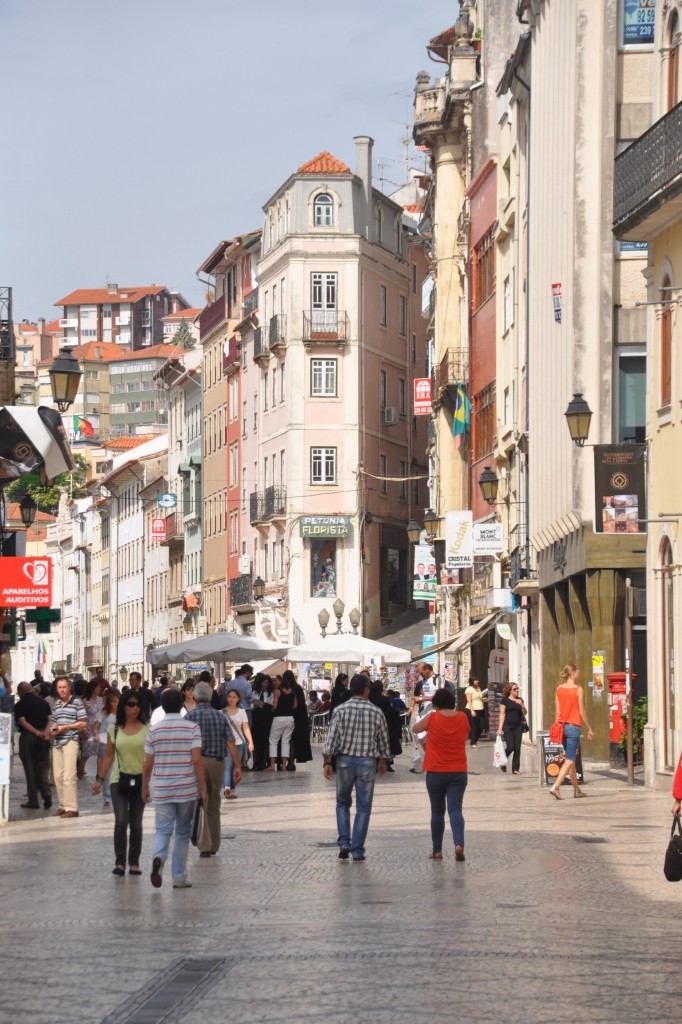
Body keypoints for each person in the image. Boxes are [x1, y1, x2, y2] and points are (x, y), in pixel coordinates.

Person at [142, 688, 208, 889]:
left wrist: (145, 786)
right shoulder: (192, 728)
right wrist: (203, 787)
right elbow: (196, 760)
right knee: (182, 832)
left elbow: (148, 763)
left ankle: (159, 858)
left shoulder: (153, 730)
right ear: (181, 704)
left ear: (162, 705)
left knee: (162, 829)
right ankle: (179, 877)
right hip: (186, 788)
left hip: (162, 787)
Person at [322, 674, 390, 861]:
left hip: (344, 761)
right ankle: (358, 850)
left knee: (342, 803)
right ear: (367, 689)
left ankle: (345, 842)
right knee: (363, 807)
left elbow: (331, 738)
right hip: (367, 762)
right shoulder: (376, 711)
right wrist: (383, 760)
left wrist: (328, 761)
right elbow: (384, 739)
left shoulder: (340, 710)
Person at [92, 688, 150, 876]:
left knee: (136, 823)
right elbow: (108, 757)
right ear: (124, 707)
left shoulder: (148, 729)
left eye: (138, 704)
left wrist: (149, 783)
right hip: (119, 780)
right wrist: (100, 779)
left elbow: (152, 757)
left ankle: (134, 862)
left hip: (140, 780)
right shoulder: (114, 729)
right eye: (131, 704)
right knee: (121, 821)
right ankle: (120, 863)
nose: (135, 708)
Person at [184, 682, 242, 858]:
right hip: (217, 764)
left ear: (194, 696)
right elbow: (230, 742)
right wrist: (237, 765)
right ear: (210, 697)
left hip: (197, 763)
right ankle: (214, 844)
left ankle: (205, 845)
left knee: (201, 801)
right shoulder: (220, 716)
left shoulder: (189, 717)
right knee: (214, 804)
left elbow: (185, 744)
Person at [412, 687, 469, 861]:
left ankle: (437, 851)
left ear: (436, 703)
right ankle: (458, 844)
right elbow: (465, 736)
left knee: (437, 811)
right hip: (458, 771)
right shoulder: (462, 717)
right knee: (455, 809)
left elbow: (415, 728)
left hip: (436, 771)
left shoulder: (433, 717)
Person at [548, 664, 594, 799]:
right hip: (574, 727)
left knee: (571, 761)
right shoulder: (578, 689)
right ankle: (555, 787)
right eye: (577, 671)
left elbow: (557, 711)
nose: (578, 673)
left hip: (562, 726)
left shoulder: (559, 689)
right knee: (569, 759)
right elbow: (582, 711)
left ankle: (577, 790)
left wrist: (557, 725)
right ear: (573, 673)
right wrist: (589, 728)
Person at [50, 676, 87, 817]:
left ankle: (72, 808)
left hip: (71, 741)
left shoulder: (77, 702)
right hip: (57, 741)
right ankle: (63, 806)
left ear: (69, 688)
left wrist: (66, 727)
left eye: (64, 687)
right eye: (59, 688)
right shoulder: (58, 704)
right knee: (57, 776)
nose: (62, 690)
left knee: (69, 776)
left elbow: (83, 722)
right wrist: (53, 728)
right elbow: (54, 721)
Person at [14, 681, 52, 810]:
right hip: (44, 737)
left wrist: (36, 733)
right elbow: (50, 720)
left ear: (20, 692)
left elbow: (23, 723)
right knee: (43, 766)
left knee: (30, 769)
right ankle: (46, 792)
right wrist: (45, 733)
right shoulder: (44, 702)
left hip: (28, 737)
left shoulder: (19, 704)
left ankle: (33, 800)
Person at [223, 689, 253, 799]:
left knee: (236, 766)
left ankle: (232, 788)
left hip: (239, 743)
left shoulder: (242, 712)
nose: (231, 699)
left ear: (238, 699)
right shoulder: (221, 712)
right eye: (229, 696)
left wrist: (251, 742)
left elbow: (245, 728)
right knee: (228, 765)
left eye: (234, 697)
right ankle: (227, 788)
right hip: (226, 743)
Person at [266, 670, 298, 771]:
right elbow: (295, 705)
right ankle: (284, 765)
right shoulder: (292, 691)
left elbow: (275, 706)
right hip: (290, 719)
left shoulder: (277, 691)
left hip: (279, 718)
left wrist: (271, 710)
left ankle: (272, 765)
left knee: (273, 741)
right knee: (286, 742)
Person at [93, 690, 120, 807]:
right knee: (107, 770)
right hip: (106, 741)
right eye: (111, 702)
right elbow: (95, 727)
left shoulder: (124, 713)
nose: (113, 704)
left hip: (119, 742)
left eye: (115, 701)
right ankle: (107, 797)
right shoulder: (104, 712)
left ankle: (118, 794)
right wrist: (96, 735)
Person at [369, 681, 402, 772]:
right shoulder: (384, 699)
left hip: (371, 724)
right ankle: (387, 763)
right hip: (384, 724)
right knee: (387, 742)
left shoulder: (369, 698)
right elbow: (390, 711)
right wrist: (396, 712)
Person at [497, 682, 527, 776]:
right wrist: (500, 728)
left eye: (517, 688)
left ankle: (515, 769)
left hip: (518, 726)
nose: (517, 690)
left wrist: (521, 704)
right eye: (514, 689)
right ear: (510, 690)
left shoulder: (520, 700)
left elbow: (525, 713)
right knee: (511, 746)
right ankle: (502, 761)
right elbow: (502, 714)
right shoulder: (504, 700)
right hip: (507, 726)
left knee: (517, 748)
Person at [79, 679, 103, 779]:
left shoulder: (100, 700)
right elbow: (81, 716)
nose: (99, 688)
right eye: (97, 687)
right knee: (86, 752)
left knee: (100, 752)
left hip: (99, 728)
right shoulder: (84, 701)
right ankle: (80, 770)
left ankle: (99, 774)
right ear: (93, 689)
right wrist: (83, 729)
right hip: (88, 728)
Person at [464, 676, 486, 748]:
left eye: (477, 680)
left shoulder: (478, 688)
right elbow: (469, 701)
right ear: (472, 681)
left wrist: (483, 699)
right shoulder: (469, 689)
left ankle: (475, 740)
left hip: (480, 708)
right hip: (472, 709)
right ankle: (473, 742)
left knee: (482, 725)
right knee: (474, 726)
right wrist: (472, 711)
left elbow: (480, 697)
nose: (477, 681)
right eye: (476, 680)